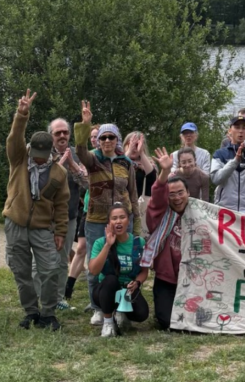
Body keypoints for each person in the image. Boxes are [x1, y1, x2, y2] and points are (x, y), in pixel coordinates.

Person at [2, 90, 70, 331]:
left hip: (43, 227)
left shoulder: (58, 172)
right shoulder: (19, 159)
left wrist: (60, 231)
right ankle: (31, 311)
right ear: (30, 150)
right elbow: (14, 138)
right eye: (36, 155)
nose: (40, 160)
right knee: (21, 271)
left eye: (44, 156)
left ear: (51, 152)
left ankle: (48, 312)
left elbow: (62, 205)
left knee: (51, 269)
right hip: (15, 223)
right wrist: (22, 114)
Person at [74, 101, 141, 325]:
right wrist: (85, 124)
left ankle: (121, 307)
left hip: (124, 218)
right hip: (96, 219)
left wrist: (137, 225)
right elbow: (80, 150)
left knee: (124, 263)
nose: (107, 141)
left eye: (111, 137)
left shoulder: (126, 162)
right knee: (96, 265)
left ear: (117, 140)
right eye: (103, 138)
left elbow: (133, 194)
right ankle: (97, 307)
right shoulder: (93, 160)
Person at [88, 203, 149, 337]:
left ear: (128, 220)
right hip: (106, 291)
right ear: (109, 223)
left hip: (127, 290)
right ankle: (108, 322)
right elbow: (93, 270)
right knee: (110, 280)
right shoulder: (100, 242)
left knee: (142, 314)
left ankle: (122, 313)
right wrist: (108, 245)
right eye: (114, 218)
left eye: (122, 217)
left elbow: (144, 271)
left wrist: (137, 283)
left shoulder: (139, 243)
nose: (118, 221)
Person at [48, 115, 87, 313]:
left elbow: (87, 184)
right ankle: (43, 296)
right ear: (51, 136)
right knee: (44, 259)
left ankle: (58, 297)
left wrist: (71, 163)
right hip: (44, 217)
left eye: (65, 132)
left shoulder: (76, 154)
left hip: (69, 215)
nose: (62, 136)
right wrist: (60, 166)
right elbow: (41, 184)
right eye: (58, 133)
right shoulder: (42, 153)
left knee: (62, 258)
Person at [142, 147, 184, 330]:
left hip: (193, 278)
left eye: (180, 192)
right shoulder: (160, 216)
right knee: (166, 321)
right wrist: (165, 171)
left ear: (188, 193)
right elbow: (158, 195)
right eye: (172, 194)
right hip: (167, 278)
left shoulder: (200, 214)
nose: (176, 197)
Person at [212, 116, 245, 216]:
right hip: (224, 208)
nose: (240, 131)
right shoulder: (220, 154)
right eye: (237, 127)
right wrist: (235, 161)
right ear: (230, 131)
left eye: (244, 128)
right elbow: (216, 179)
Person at [124, 131, 157, 221]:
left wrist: (141, 153)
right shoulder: (119, 161)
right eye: (130, 144)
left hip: (142, 208)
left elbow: (152, 176)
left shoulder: (148, 164)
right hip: (123, 208)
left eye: (137, 144)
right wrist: (129, 152)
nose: (134, 148)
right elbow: (118, 168)